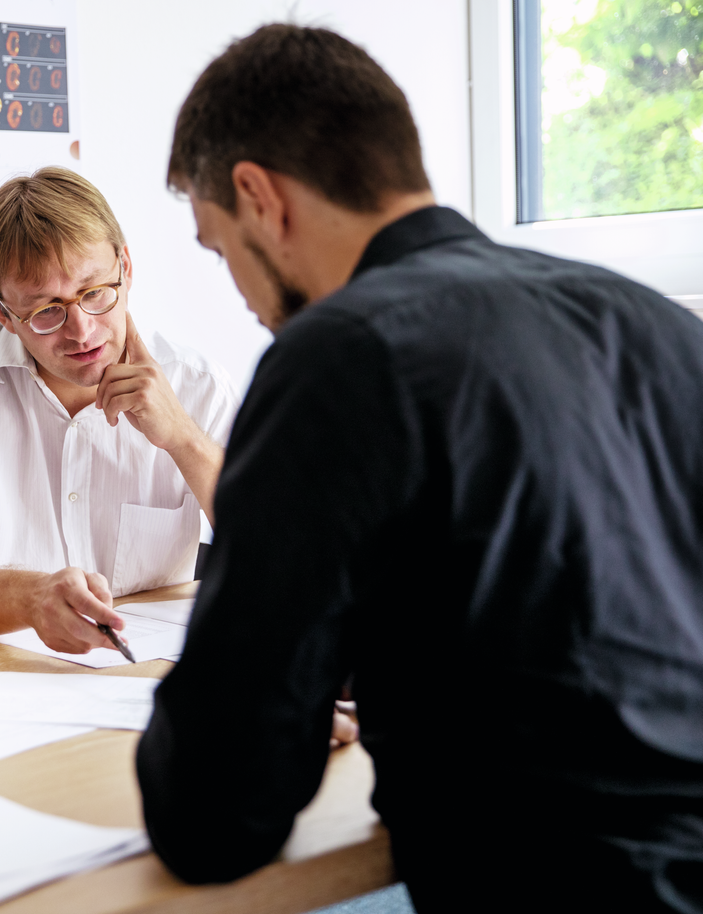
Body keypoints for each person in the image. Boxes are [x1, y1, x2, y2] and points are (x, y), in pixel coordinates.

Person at [136, 23, 703, 912]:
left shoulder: (340, 356)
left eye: (218, 249)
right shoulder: (654, 326)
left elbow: (215, 808)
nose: (241, 297)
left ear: (260, 198)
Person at [0, 167, 237, 654]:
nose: (81, 331)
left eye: (95, 293)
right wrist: (34, 598)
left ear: (126, 268)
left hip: (139, 670)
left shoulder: (196, 384)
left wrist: (183, 439)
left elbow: (278, 550)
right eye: (47, 310)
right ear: (3, 313)